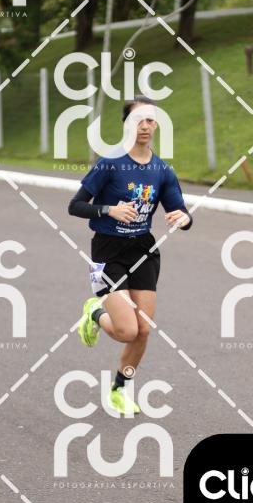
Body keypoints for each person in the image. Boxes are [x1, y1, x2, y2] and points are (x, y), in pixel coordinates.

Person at [68, 95, 193, 415]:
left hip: (143, 250)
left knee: (144, 330)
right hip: (108, 251)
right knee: (127, 331)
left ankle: (119, 390)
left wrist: (183, 218)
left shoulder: (162, 170)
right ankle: (95, 312)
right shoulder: (110, 163)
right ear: (127, 125)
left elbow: (181, 211)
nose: (145, 126)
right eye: (139, 120)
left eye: (150, 120)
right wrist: (109, 209)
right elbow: (75, 205)